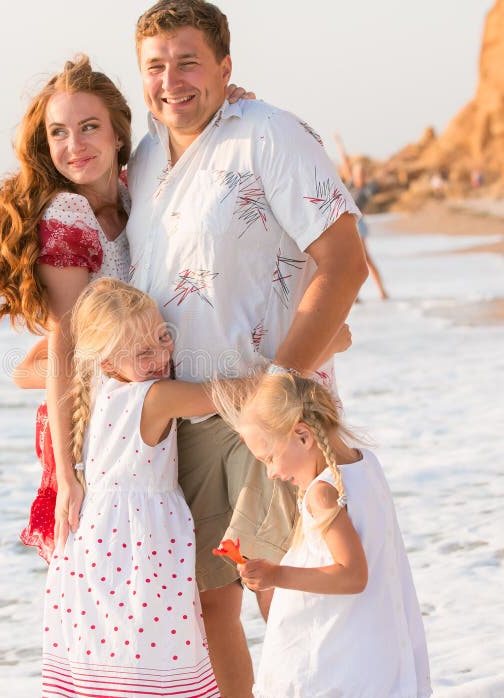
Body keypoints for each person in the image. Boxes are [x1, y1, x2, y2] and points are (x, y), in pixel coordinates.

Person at [118, 2, 369, 694]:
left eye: (189, 61)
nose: (172, 80)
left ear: (227, 69)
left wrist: (276, 391)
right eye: (156, 67)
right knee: (209, 604)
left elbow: (344, 261)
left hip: (267, 413)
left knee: (288, 603)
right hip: (186, 419)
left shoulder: (270, 134)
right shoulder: (142, 163)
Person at [0, 56, 249, 563]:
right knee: (120, 585)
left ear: (119, 134)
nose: (74, 146)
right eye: (59, 133)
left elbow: (183, 143)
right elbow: (63, 343)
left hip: (143, 412)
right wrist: (69, 472)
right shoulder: (69, 214)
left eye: (89, 127)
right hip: (100, 430)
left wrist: (225, 110)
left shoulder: (134, 189)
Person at [42, 277, 221, 695]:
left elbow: (37, 367)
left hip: (97, 551)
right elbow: (230, 394)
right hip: (139, 555)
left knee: (110, 673)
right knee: (152, 668)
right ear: (105, 361)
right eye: (144, 352)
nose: (161, 356)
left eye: (164, 336)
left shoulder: (100, 385)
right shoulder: (156, 396)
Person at [218, 373, 432, 698]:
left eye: (269, 458)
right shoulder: (366, 464)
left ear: (303, 436)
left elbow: (353, 576)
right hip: (375, 641)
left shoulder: (323, 493)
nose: (272, 472)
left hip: (337, 654)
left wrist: (276, 574)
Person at [335, 133, 390, 300]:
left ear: (364, 175)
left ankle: (381, 291)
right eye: (356, 173)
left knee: (364, 259)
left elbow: (382, 177)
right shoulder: (350, 183)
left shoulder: (368, 188)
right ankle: (356, 296)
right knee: (352, 260)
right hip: (347, 225)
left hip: (359, 225)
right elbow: (345, 163)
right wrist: (339, 144)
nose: (358, 176)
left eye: (361, 173)